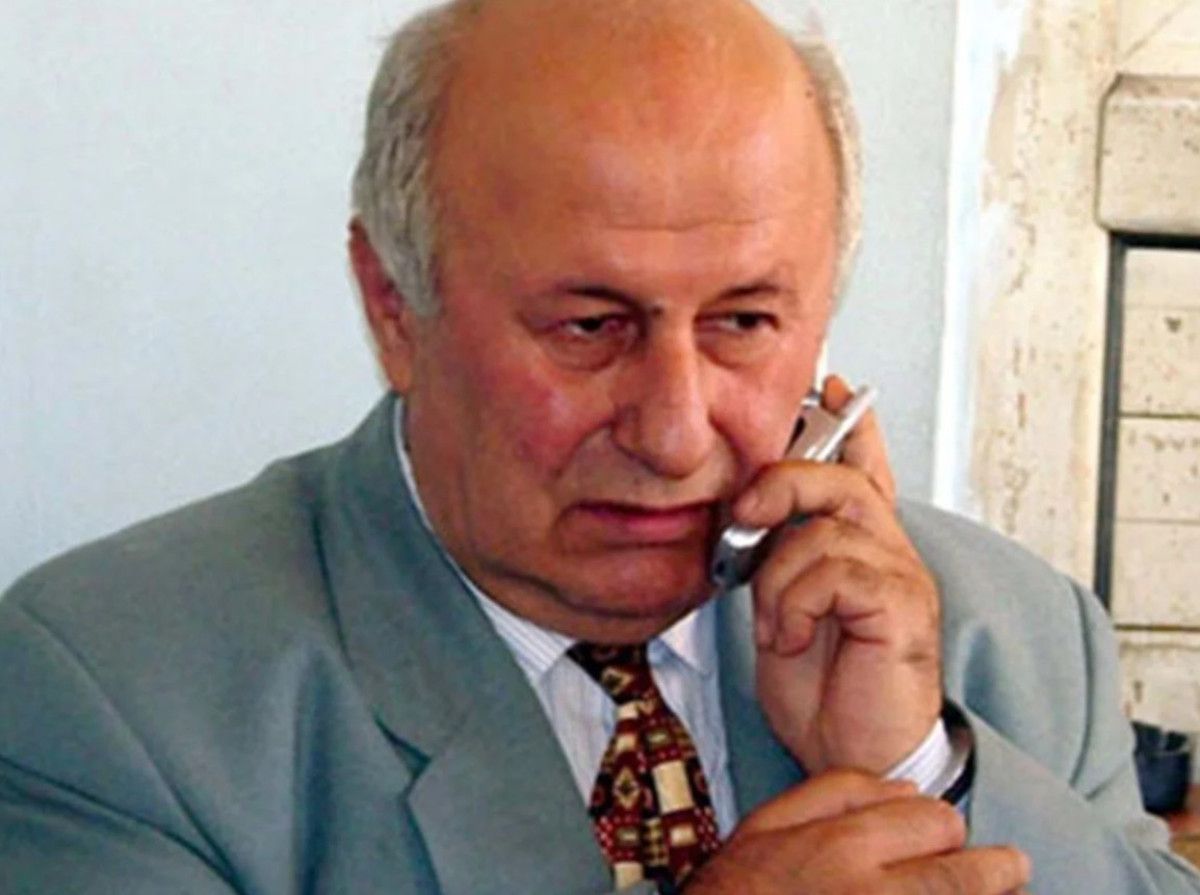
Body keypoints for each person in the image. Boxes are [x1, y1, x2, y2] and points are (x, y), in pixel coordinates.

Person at [1, 0, 1197, 892]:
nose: (675, 434)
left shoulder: (1005, 638)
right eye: (589, 327)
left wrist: (917, 766)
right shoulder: (113, 696)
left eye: (743, 322)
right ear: (393, 305)